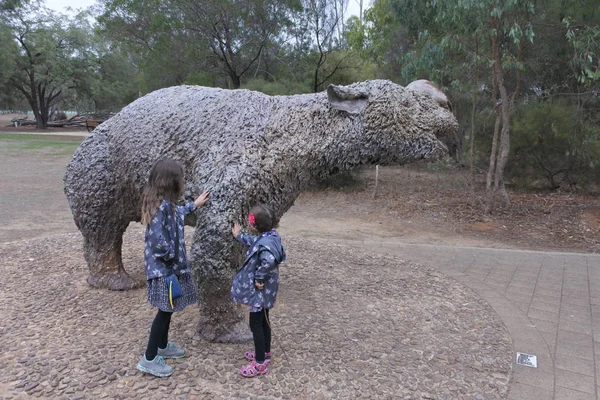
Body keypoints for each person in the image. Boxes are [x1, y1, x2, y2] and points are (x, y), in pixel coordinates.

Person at [136, 159, 209, 377]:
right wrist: (173, 256)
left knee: (168, 310)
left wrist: (194, 205)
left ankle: (162, 346)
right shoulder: (160, 208)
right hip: (163, 271)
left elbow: (178, 213)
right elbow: (159, 242)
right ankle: (149, 358)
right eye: (182, 179)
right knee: (164, 311)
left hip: (168, 269)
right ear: (172, 182)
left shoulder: (166, 205)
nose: (184, 182)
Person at [231, 205, 286, 378]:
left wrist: (259, 279)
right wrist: (239, 236)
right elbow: (255, 243)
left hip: (260, 292)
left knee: (256, 324)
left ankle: (260, 363)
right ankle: (266, 352)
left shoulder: (265, 243)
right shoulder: (271, 236)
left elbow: (268, 261)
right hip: (267, 292)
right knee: (264, 320)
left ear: (254, 226)